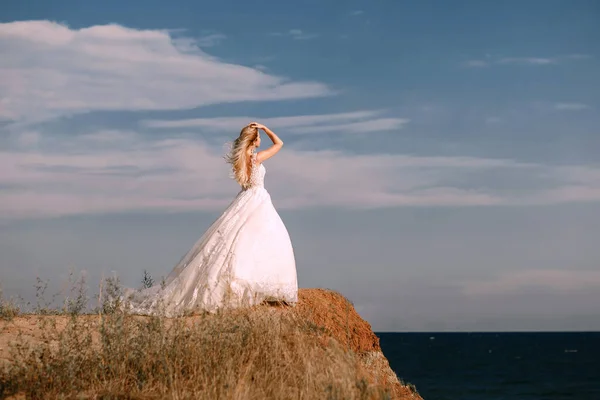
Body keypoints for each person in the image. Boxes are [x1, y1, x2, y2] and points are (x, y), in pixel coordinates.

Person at [124, 122, 298, 316]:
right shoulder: (256, 159)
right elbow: (279, 143)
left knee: (240, 241)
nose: (260, 139)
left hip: (245, 199)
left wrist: (260, 130)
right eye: (258, 136)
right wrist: (266, 128)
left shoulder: (242, 160)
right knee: (260, 240)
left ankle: (244, 286)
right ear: (254, 139)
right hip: (257, 199)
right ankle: (256, 285)